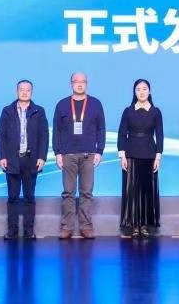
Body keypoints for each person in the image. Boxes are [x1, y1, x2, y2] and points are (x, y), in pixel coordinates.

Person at [52, 72, 105, 240]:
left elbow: (101, 129)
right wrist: (57, 153)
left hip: (89, 154)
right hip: (67, 155)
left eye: (83, 81)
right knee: (68, 192)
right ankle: (67, 227)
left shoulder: (95, 104)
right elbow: (56, 130)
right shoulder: (62, 104)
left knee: (86, 192)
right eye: (76, 81)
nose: (80, 84)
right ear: (71, 84)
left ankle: (86, 226)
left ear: (87, 84)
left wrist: (99, 151)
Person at [0, 79, 48, 240]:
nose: (24, 92)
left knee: (29, 197)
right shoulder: (7, 111)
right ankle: (12, 231)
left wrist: (42, 157)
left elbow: (44, 136)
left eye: (28, 90)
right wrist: (1, 156)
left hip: (31, 159)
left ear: (31, 92)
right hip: (12, 159)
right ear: (16, 91)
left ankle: (28, 231)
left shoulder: (39, 111)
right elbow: (1, 135)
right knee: (12, 197)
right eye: (21, 89)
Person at [117, 79, 165, 238]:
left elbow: (160, 135)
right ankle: (133, 225)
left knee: (146, 191)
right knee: (132, 190)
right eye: (138, 89)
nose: (142, 92)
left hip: (149, 154)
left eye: (145, 89)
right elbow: (122, 134)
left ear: (149, 91)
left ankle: (144, 225)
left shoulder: (156, 111)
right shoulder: (128, 111)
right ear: (134, 92)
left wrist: (158, 157)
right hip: (131, 154)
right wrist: (122, 156)